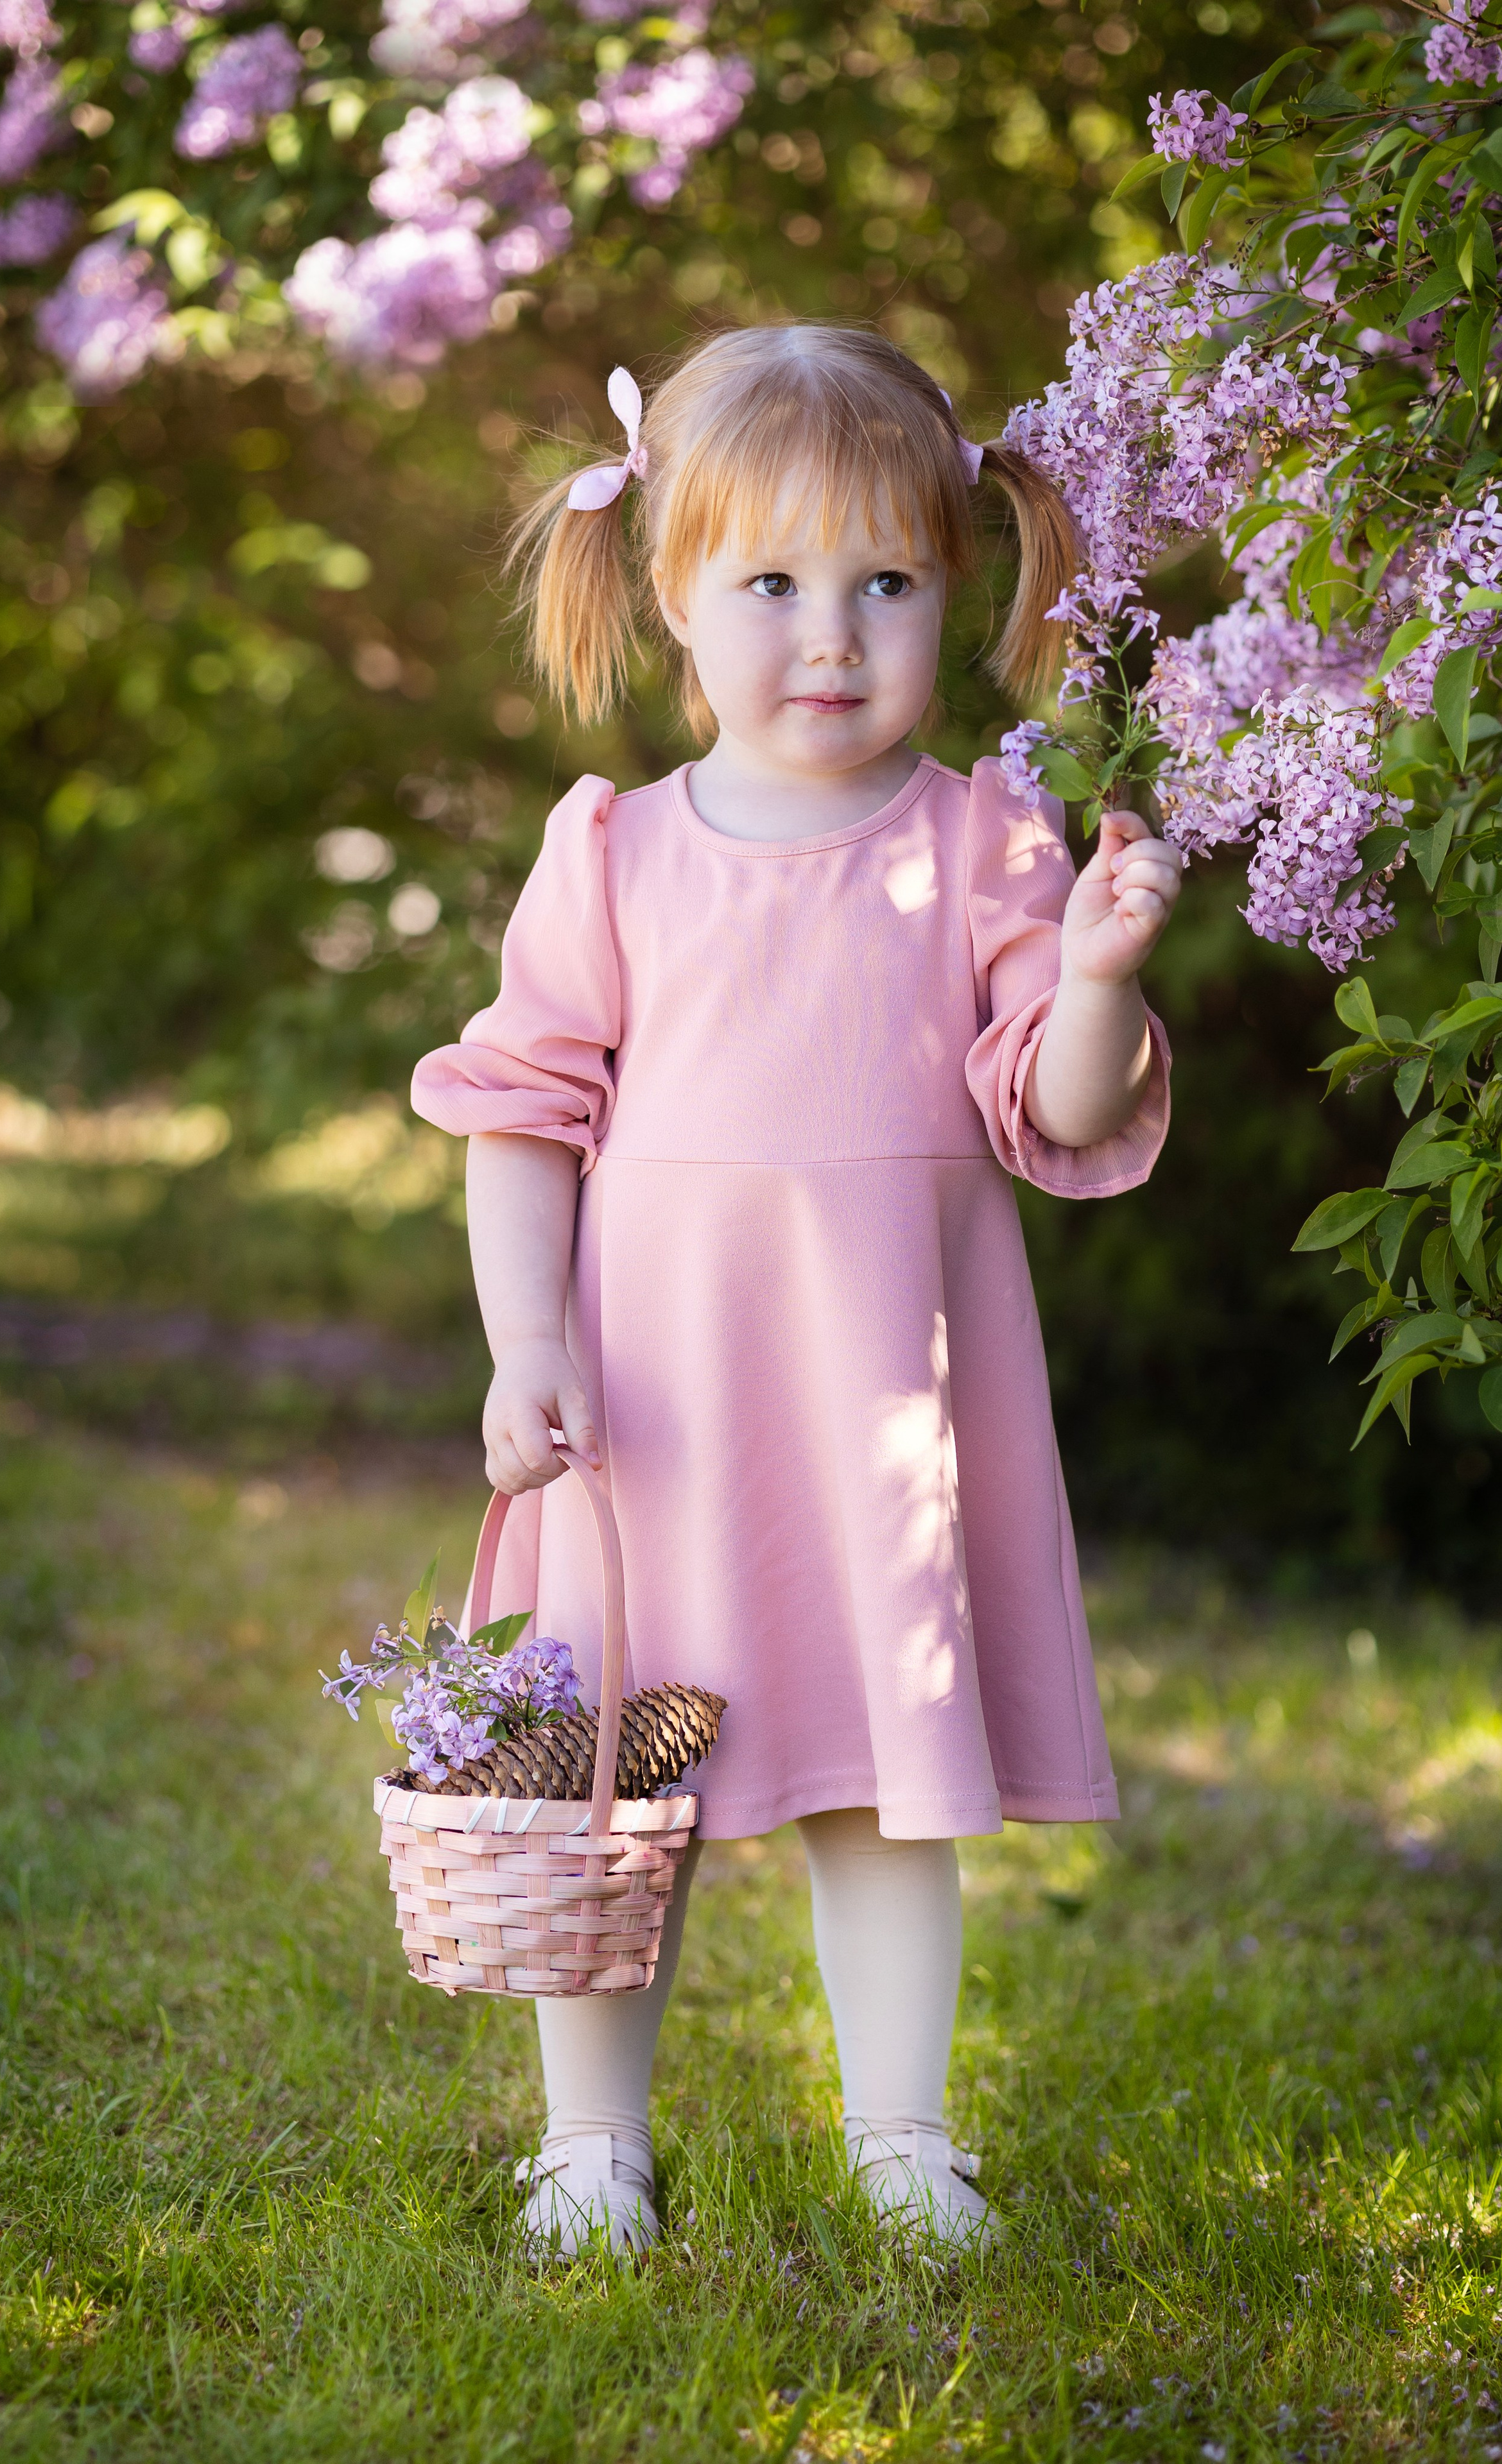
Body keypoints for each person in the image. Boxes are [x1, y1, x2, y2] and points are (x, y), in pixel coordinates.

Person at [411, 323, 1182, 2257]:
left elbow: (1053, 1115)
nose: (828, 635)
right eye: (771, 583)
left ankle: (902, 2135)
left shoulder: (980, 842)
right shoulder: (617, 856)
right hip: (655, 1413)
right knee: (607, 1789)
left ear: (954, 590)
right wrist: (527, 1349)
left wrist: (1093, 981)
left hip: (876, 1407)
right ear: (673, 592)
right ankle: (592, 2141)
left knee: (886, 1783)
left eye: (887, 585)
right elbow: (519, 1116)